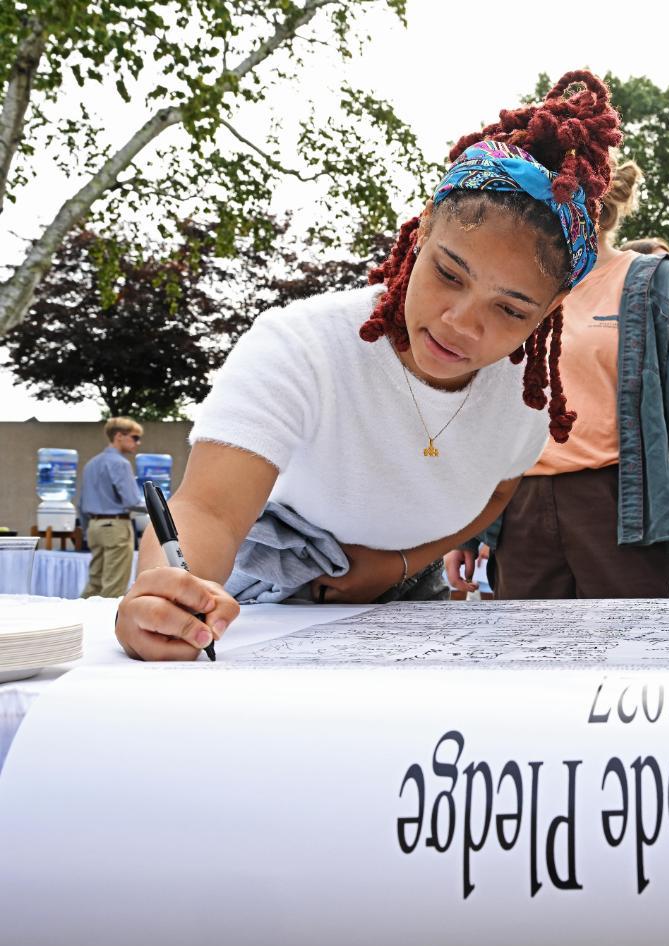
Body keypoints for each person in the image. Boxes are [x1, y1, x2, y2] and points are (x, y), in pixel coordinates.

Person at [115, 71, 622, 660]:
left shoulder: (525, 400)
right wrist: (168, 597)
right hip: (254, 605)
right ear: (424, 229)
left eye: (510, 309)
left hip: (415, 613)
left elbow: (498, 490)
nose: (460, 323)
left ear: (550, 312)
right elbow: (208, 509)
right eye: (449, 274)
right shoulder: (300, 348)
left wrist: (399, 563)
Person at [447, 161, 669, 598]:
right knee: (529, 660)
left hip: (625, 511)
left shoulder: (655, 284)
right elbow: (480, 415)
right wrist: (466, 531)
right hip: (519, 512)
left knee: (637, 655)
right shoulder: (512, 293)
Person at [78, 416, 145, 598]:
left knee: (94, 584)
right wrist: (159, 507)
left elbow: (81, 503)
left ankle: (81, 620)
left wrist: (87, 530)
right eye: (135, 437)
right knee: (113, 587)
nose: (138, 443)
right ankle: (105, 626)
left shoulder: (91, 464)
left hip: (94, 527)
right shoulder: (120, 463)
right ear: (119, 436)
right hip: (116, 527)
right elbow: (131, 501)